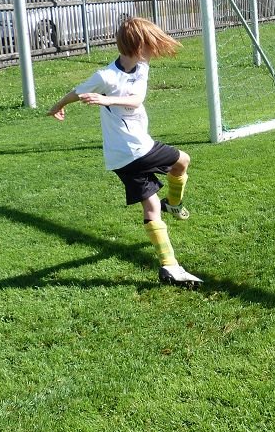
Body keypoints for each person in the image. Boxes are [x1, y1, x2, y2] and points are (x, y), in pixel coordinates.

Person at [47, 17, 201, 288]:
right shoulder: (106, 76)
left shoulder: (141, 67)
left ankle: (169, 266)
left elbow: (135, 99)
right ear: (137, 46)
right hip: (138, 149)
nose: (153, 51)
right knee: (183, 160)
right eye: (150, 45)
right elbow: (77, 92)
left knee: (152, 206)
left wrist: (101, 100)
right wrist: (59, 105)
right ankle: (175, 204)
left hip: (119, 158)